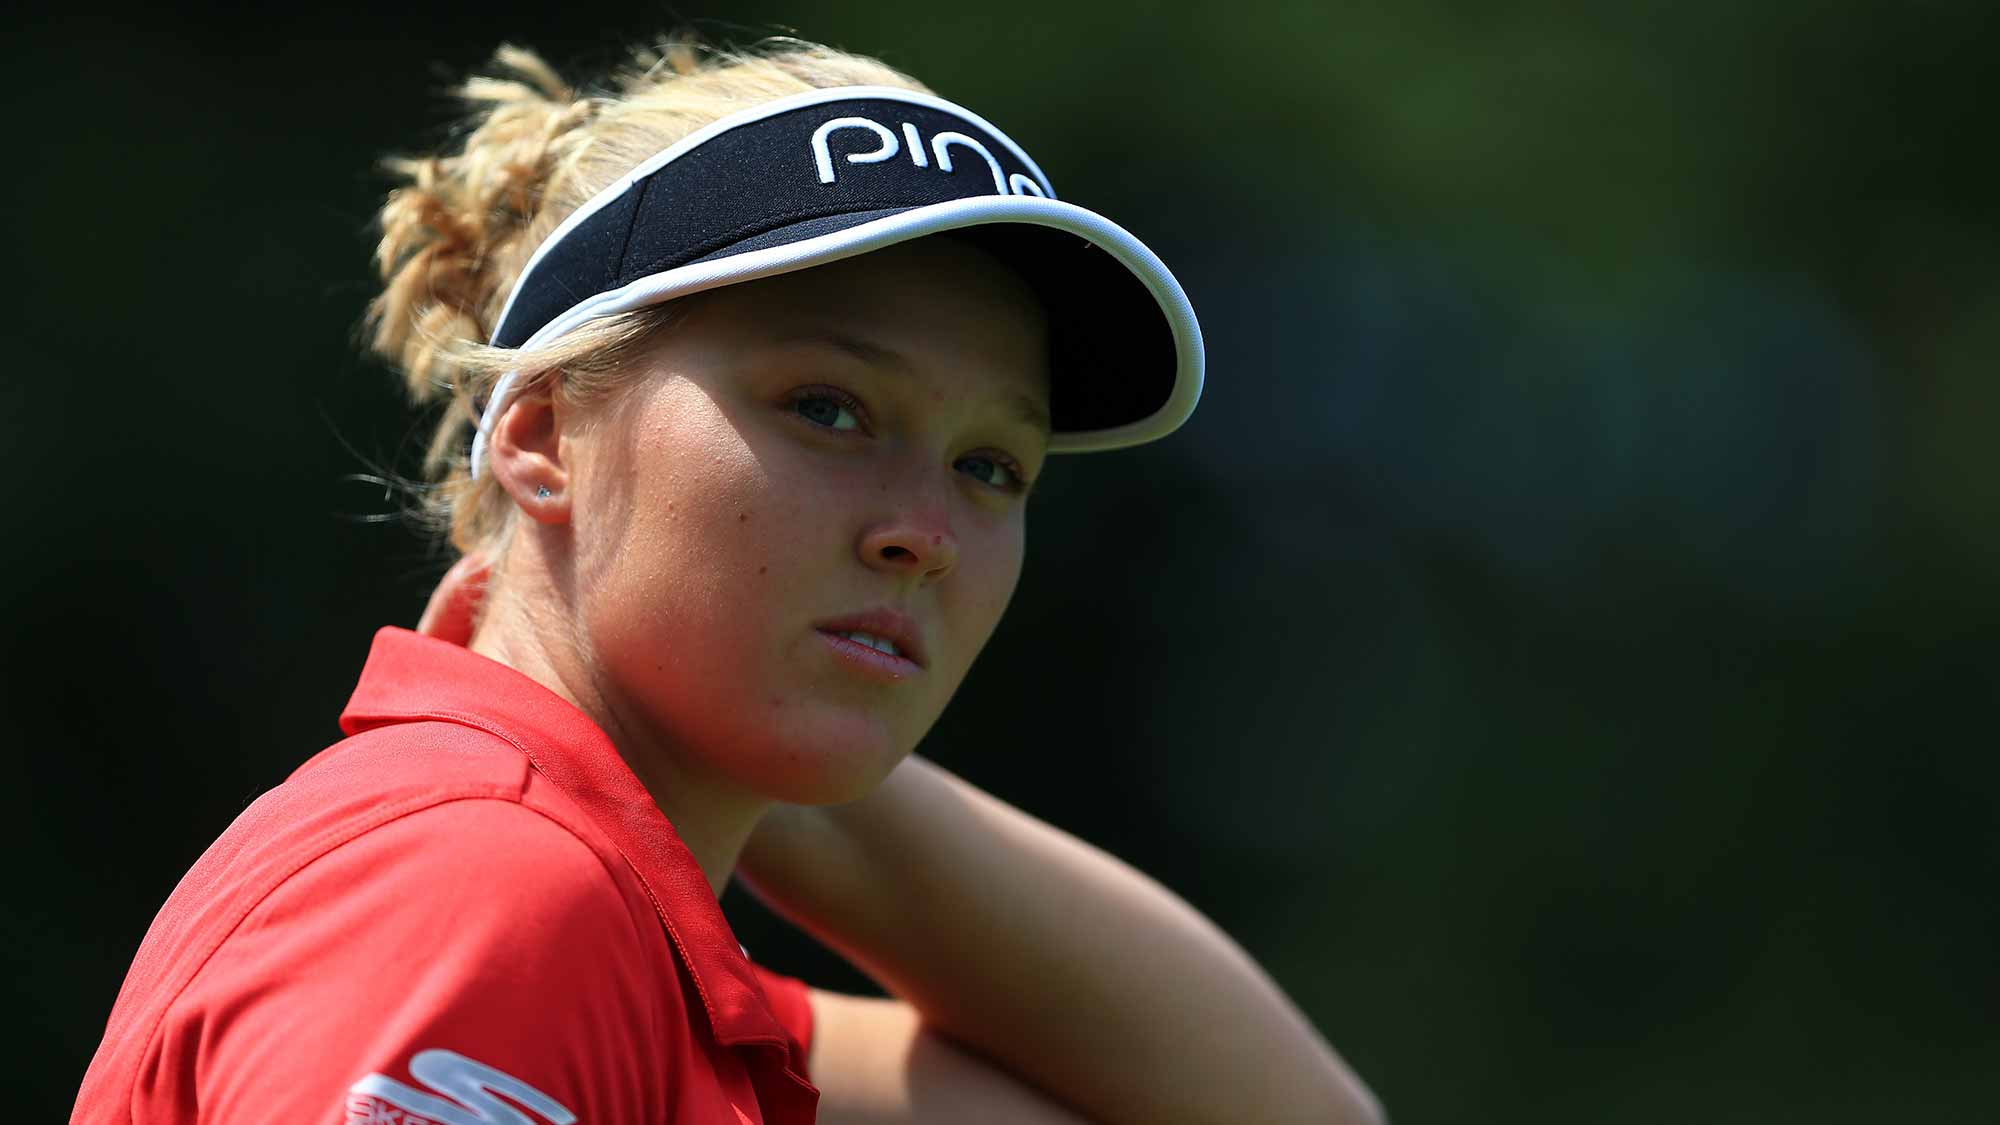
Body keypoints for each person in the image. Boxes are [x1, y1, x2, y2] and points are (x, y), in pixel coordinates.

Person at [72, 34, 1382, 1125]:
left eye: (992, 466)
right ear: (540, 437)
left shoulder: (616, 938)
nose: (924, 530)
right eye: (828, 405)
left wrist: (723, 769)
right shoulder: (493, 891)